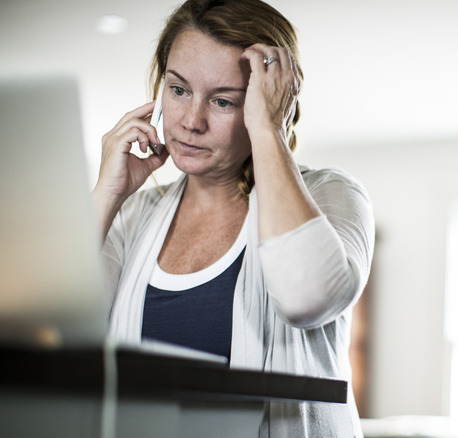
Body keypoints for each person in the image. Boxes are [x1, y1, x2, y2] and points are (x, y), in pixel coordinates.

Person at [92, 0, 375, 436]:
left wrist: (268, 131)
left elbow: (307, 298)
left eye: (224, 101)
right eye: (179, 89)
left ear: (271, 102)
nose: (190, 121)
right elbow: (50, 331)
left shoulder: (331, 194)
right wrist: (106, 195)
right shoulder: (134, 216)